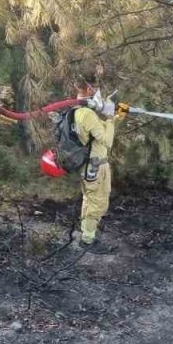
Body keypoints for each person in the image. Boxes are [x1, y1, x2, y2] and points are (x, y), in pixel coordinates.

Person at [71, 76, 119, 253]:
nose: (99, 92)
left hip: (88, 164)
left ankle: (86, 232)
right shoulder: (88, 114)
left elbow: (97, 133)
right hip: (96, 166)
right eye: (97, 88)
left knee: (89, 199)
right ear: (89, 89)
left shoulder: (77, 111)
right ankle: (88, 240)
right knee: (98, 203)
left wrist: (115, 117)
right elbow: (107, 141)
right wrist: (110, 117)